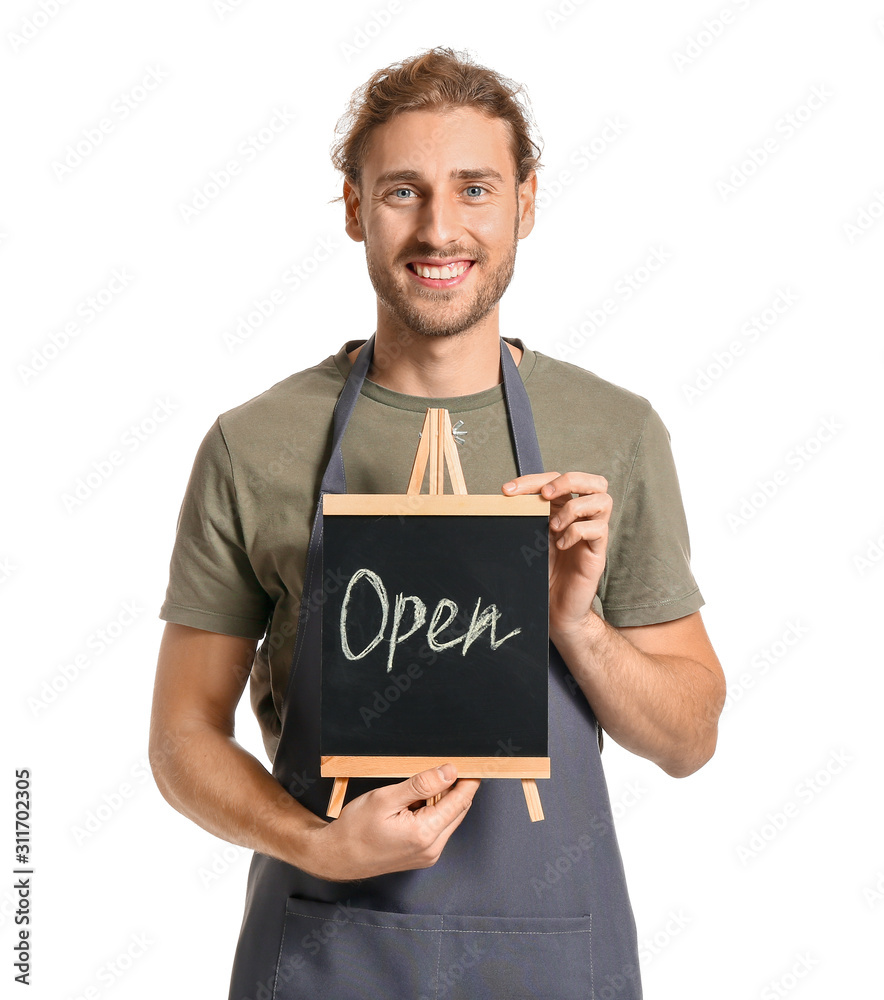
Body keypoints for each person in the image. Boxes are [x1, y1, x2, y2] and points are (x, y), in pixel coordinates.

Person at [150, 46, 725, 1000]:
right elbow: (179, 738)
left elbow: (689, 739)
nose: (440, 228)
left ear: (525, 203)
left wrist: (575, 624)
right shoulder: (254, 445)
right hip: (329, 945)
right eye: (403, 192)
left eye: (475, 189)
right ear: (352, 208)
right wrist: (317, 844)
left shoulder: (612, 433)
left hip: (551, 950)